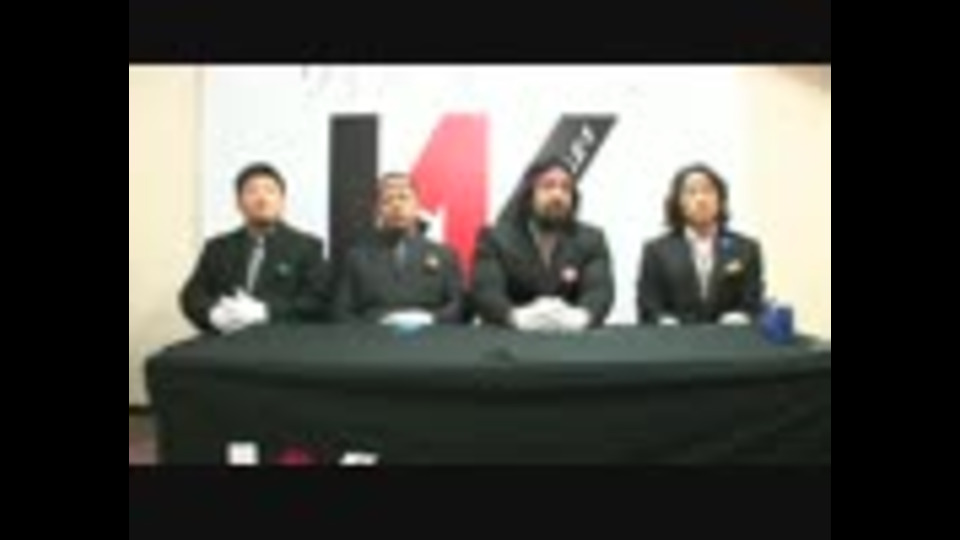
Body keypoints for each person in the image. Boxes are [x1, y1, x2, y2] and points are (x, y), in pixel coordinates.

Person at [180, 162, 330, 334]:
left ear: (282, 201)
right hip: (225, 340)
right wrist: (213, 314)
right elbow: (192, 295)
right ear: (238, 203)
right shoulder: (217, 248)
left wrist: (266, 311)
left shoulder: (307, 247)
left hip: (281, 342)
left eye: (270, 191)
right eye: (252, 191)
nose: (262, 199)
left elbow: (317, 302)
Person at [471, 157, 614, 331]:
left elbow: (599, 292)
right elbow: (487, 293)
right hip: (511, 341)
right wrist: (515, 317)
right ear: (529, 194)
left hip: (573, 342)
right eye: (548, 186)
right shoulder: (495, 239)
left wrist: (580, 318)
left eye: (566, 188)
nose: (557, 195)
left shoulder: (591, 240)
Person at [636, 163, 764, 325]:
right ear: (678, 202)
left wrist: (741, 317)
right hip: (676, 338)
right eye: (691, 192)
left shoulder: (746, 249)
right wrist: (663, 321)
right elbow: (648, 306)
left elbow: (752, 304)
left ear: (720, 199)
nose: (701, 199)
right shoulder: (657, 251)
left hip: (729, 337)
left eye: (708, 191)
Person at [333, 172, 464, 326]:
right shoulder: (357, 258)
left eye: (403, 198)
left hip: (430, 336)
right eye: (387, 200)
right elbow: (340, 312)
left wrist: (430, 319)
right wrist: (374, 325)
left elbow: (459, 306)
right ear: (377, 209)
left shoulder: (444, 255)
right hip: (373, 336)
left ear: (417, 205)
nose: (396, 206)